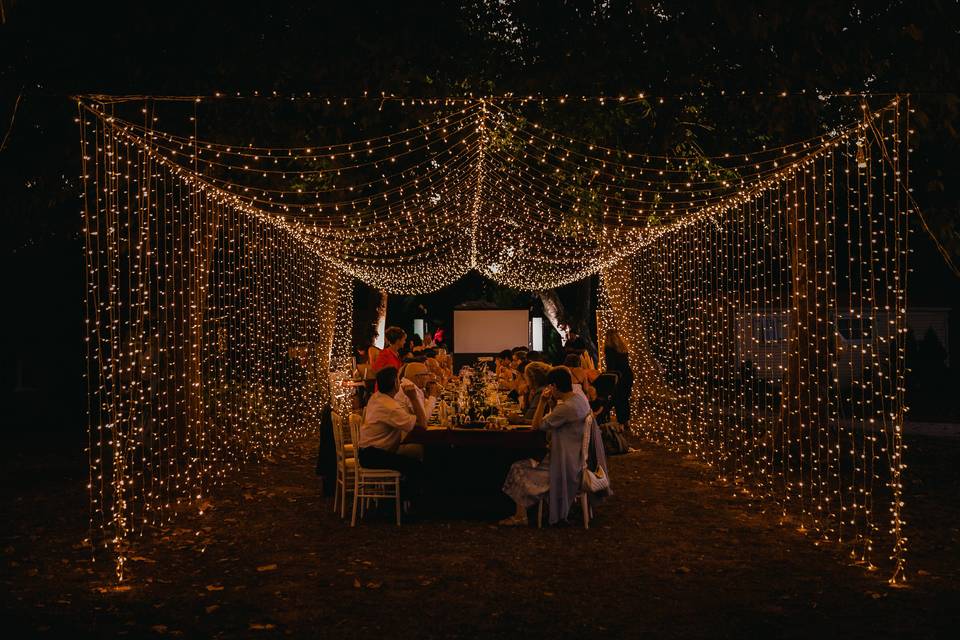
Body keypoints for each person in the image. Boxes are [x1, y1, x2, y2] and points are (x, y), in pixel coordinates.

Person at [500, 366, 592, 526]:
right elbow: (553, 419)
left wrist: (543, 401)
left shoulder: (566, 408)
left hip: (563, 466)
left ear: (554, 386)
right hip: (575, 459)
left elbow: (536, 426)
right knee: (524, 462)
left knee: (518, 467)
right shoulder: (578, 399)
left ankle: (520, 516)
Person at [358, 366, 425, 497]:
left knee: (416, 451)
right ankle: (404, 505)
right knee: (415, 465)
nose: (401, 383)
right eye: (399, 380)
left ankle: (401, 498)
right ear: (395, 383)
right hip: (374, 455)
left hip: (368, 451)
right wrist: (413, 398)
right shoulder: (390, 407)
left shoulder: (377, 397)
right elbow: (422, 424)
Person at [603, 328, 634, 431]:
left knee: (617, 399)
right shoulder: (623, 347)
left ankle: (620, 422)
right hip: (628, 375)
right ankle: (626, 421)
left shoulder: (609, 348)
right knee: (624, 399)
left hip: (618, 376)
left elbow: (611, 366)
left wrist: (606, 375)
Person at [395, 361, 439, 427]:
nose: (429, 378)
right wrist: (433, 396)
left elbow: (423, 407)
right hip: (407, 434)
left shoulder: (410, 385)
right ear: (418, 377)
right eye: (427, 374)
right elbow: (424, 418)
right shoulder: (410, 388)